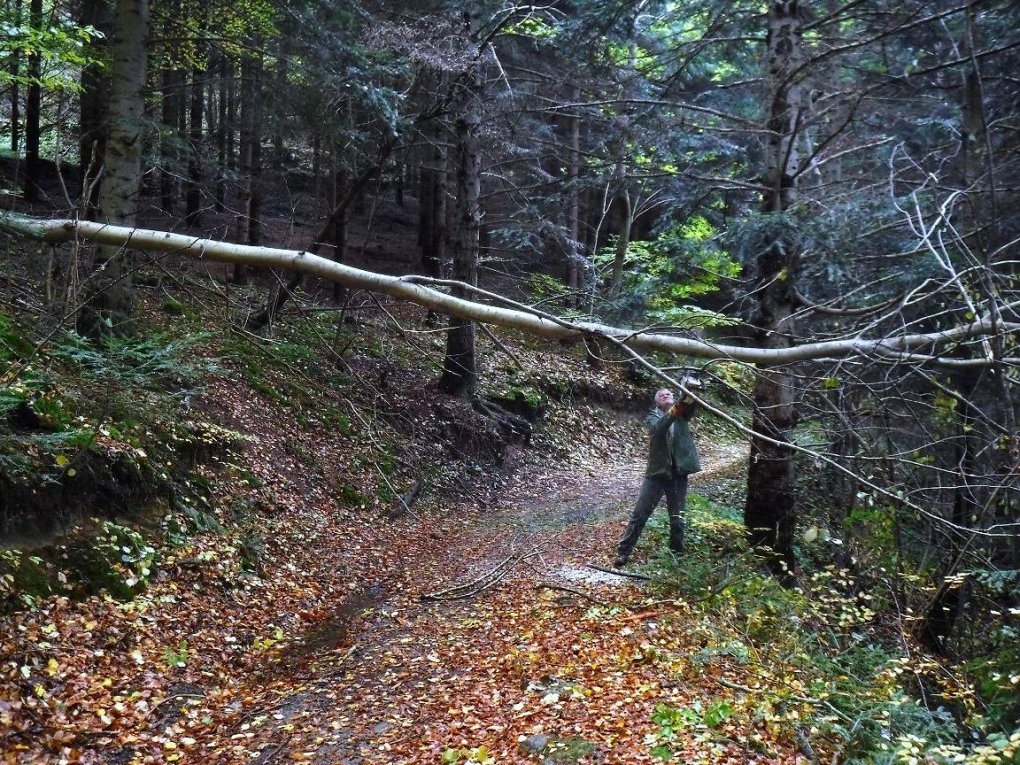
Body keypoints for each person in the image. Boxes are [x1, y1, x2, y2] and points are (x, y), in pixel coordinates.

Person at [615, 383, 701, 567]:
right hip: (657, 473)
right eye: (661, 395)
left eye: (669, 393)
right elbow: (659, 429)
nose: (666, 395)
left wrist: (691, 391)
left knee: (678, 518)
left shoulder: (682, 415)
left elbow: (690, 404)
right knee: (640, 514)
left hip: (678, 474)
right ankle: (623, 552)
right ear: (656, 402)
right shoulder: (653, 417)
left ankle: (676, 557)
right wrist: (676, 408)